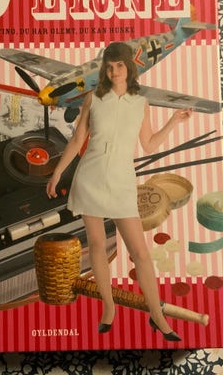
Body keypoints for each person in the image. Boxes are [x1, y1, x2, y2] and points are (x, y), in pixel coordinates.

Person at [46, 42, 192, 340]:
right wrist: (58, 172)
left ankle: (157, 315)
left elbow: (149, 144)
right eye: (109, 66)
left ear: (129, 67)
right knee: (97, 245)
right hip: (90, 178)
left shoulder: (141, 103)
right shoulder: (93, 99)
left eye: (120, 66)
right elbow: (77, 141)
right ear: (104, 68)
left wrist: (173, 122)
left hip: (122, 181)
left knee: (140, 253)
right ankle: (109, 308)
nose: (114, 72)